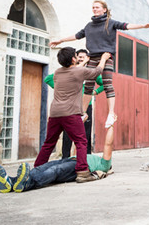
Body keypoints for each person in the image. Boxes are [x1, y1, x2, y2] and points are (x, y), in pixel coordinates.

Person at [50, 0, 149, 129]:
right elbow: (76, 36)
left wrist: (142, 26)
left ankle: (110, 113)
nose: (94, 9)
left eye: (97, 7)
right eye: (93, 7)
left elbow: (126, 26)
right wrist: (60, 40)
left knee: (107, 83)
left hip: (106, 55)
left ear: (104, 9)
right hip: (92, 56)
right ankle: (82, 113)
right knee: (88, 84)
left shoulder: (111, 23)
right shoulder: (89, 26)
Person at [34, 47, 110, 183]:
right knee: (81, 141)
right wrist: (103, 59)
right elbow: (97, 71)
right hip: (71, 113)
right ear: (74, 59)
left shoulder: (57, 72)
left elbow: (73, 70)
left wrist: (81, 62)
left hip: (55, 113)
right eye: (76, 56)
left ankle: (37, 168)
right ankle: (82, 172)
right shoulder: (79, 71)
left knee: (48, 143)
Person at [0, 117, 117, 193]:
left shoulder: (104, 165)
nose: (105, 156)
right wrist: (79, 123)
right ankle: (10, 182)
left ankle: (27, 184)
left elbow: (108, 145)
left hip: (75, 167)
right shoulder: (92, 158)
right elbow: (78, 142)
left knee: (55, 170)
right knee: (44, 167)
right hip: (70, 160)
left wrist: (111, 124)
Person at [44, 49, 104, 157]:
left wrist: (96, 92)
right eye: (79, 56)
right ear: (74, 59)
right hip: (71, 108)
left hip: (86, 107)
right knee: (67, 136)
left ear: (88, 59)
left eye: (83, 57)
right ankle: (65, 158)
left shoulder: (88, 71)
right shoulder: (66, 71)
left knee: (85, 136)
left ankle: (87, 159)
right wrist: (61, 88)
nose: (81, 58)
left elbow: (105, 84)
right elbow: (48, 79)